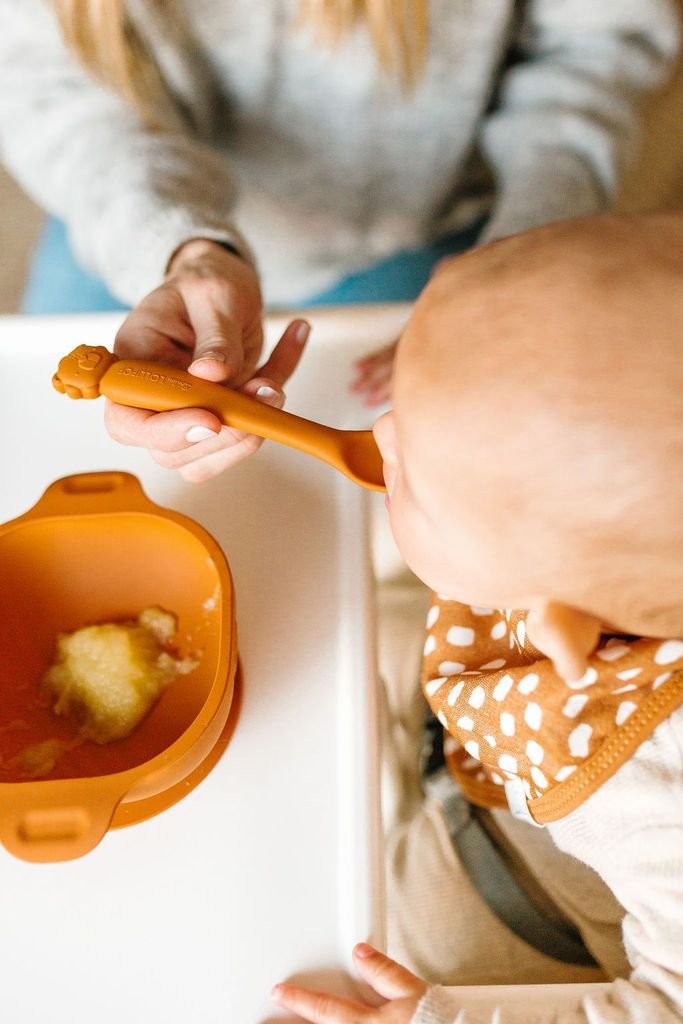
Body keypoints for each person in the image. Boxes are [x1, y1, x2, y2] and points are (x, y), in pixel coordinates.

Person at [269, 212, 683, 1022]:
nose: (380, 432)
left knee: (364, 932)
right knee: (353, 639)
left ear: (563, 627)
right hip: (516, 751)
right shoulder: (610, 561)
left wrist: (437, 1018)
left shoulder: (662, 807)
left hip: (535, 907)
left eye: (413, 477)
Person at [0, 1, 680, 481]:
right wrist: (181, 247)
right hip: (127, 207)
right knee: (38, 446)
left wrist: (523, 250)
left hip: (432, 227)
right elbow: (44, 83)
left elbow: (597, 46)